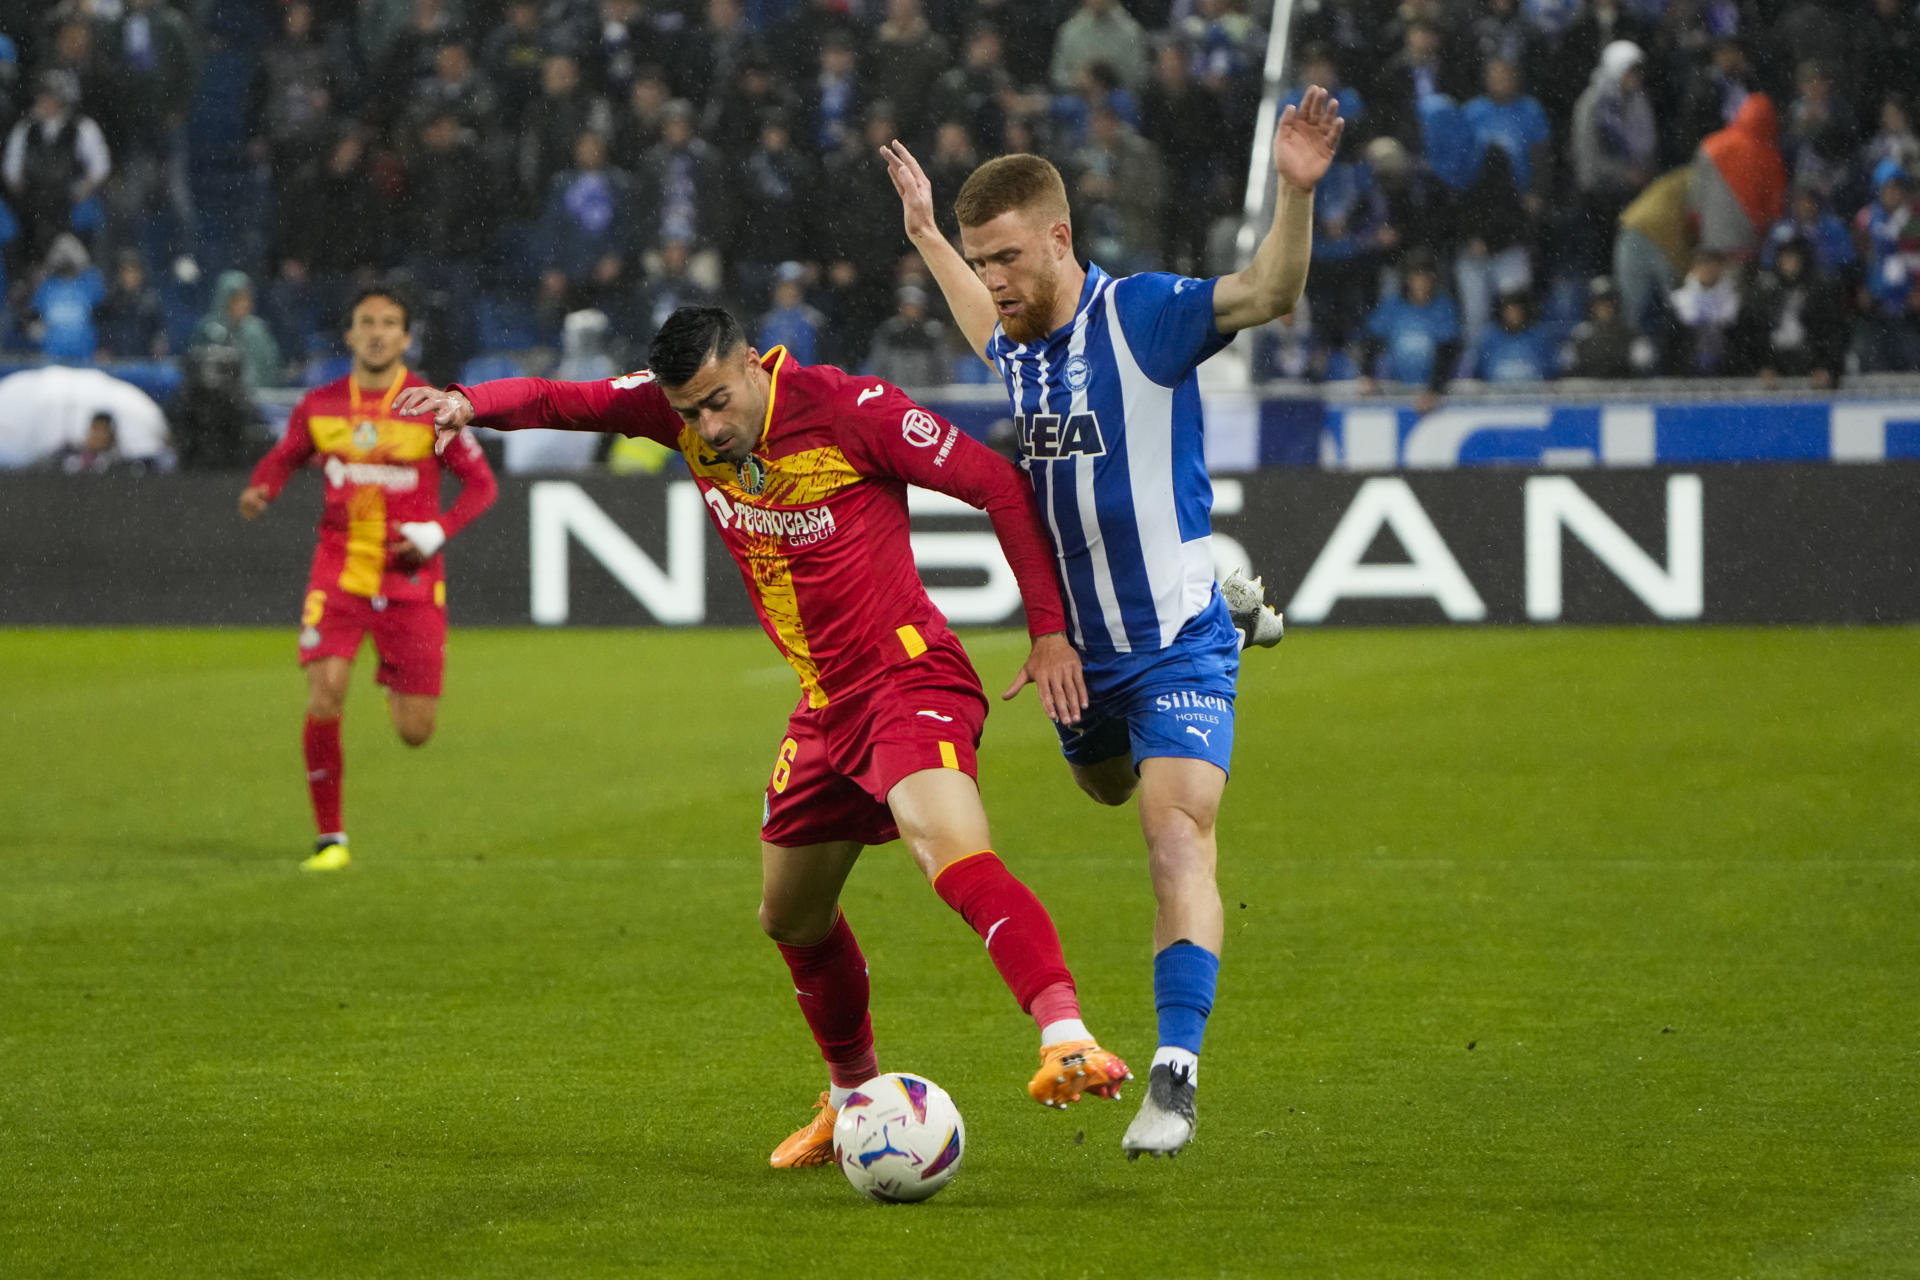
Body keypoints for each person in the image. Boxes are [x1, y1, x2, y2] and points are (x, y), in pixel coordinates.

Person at [391, 305, 1133, 1167]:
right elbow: (563, 400)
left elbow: (998, 484)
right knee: (790, 916)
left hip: (906, 676)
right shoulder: (678, 414)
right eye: (689, 413)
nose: (707, 426)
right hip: (824, 706)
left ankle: (1067, 1036)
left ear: (754, 363)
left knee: (949, 850)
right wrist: (464, 402)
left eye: (717, 402)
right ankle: (853, 1098)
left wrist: (1050, 632)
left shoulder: (853, 410)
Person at [880, 85, 1341, 1158]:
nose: (992, 281)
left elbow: (1268, 290)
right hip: (1075, 653)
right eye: (977, 260)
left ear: (1059, 237)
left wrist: (1293, 192)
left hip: (1171, 637)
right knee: (1101, 784)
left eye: (1006, 258)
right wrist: (920, 236)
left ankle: (1175, 1073)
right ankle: (1237, 606)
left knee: (1174, 831)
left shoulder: (1141, 315)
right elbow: (968, 310)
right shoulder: (1015, 335)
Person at [237, 286, 499, 870]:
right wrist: (263, 486)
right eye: (366, 322)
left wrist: (436, 531)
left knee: (415, 731)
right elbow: (284, 455)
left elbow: (482, 487)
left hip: (410, 580)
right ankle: (331, 839)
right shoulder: (321, 406)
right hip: (340, 573)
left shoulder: (432, 407)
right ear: (350, 335)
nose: (377, 332)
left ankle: (391, 672)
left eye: (390, 323)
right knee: (325, 691)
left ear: (406, 339)